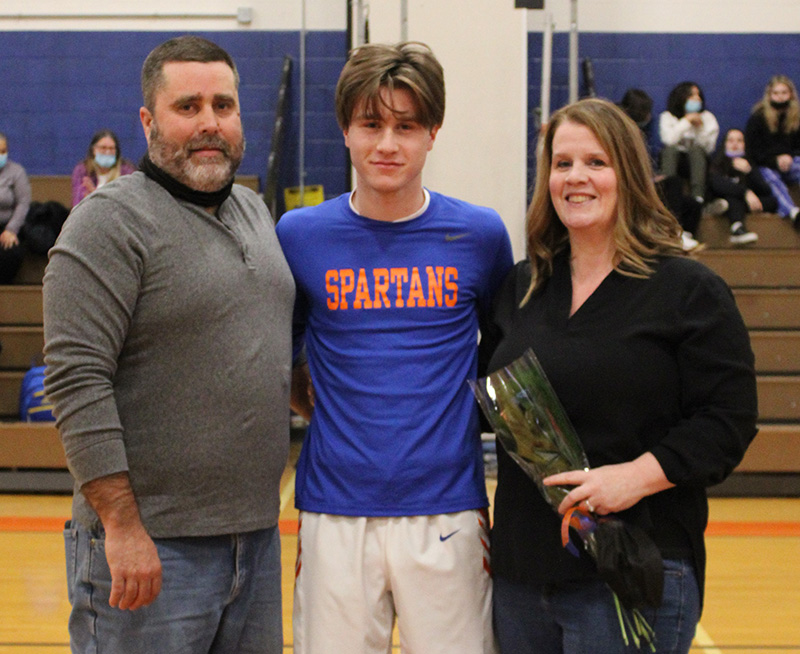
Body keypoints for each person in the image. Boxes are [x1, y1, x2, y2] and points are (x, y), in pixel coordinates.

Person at [43, 35, 294, 653]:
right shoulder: (107, 222)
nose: (209, 124)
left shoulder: (255, 212)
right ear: (149, 121)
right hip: (150, 549)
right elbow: (76, 379)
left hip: (256, 543)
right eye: (188, 107)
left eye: (224, 106)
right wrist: (122, 525)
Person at [482, 98, 757, 653]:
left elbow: (728, 421)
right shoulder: (522, 287)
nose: (576, 177)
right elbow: (486, 407)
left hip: (629, 570)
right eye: (562, 164)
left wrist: (633, 477)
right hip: (521, 576)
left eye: (595, 162)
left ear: (628, 175)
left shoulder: (687, 290)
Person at [275, 41, 513, 654]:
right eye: (371, 124)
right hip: (333, 509)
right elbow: (286, 354)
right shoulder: (299, 235)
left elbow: (503, 357)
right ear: (345, 131)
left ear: (433, 132)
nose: (387, 144)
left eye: (406, 126)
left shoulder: (480, 235)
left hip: (448, 509)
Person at [659, 81, 720, 249]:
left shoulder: (708, 118)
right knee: (670, 151)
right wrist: (686, 121)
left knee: (696, 150)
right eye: (692, 95)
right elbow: (668, 139)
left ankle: (698, 196)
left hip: (697, 163)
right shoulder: (668, 116)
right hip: (675, 162)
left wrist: (699, 128)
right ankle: (667, 189)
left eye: (698, 95)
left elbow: (709, 147)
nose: (696, 98)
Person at [744, 74, 800, 225]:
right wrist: (775, 160)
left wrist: (789, 156)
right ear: (769, 95)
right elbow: (753, 152)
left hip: (790, 163)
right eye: (776, 93)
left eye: (784, 93)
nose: (780, 97)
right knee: (770, 177)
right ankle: (792, 212)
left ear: (791, 94)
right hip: (766, 165)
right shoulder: (758, 117)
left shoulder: (797, 117)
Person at [708, 128, 777, 245]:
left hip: (744, 203)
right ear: (724, 144)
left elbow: (765, 190)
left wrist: (749, 171)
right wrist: (746, 192)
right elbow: (717, 185)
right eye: (731, 140)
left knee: (772, 201)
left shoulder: (749, 163)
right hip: (727, 198)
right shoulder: (718, 163)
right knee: (733, 198)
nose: (735, 144)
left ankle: (734, 220)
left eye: (739, 140)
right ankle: (737, 229)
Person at [70, 128, 136, 206]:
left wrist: (95, 194)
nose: (107, 152)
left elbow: (128, 202)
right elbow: (77, 203)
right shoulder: (83, 170)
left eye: (111, 148)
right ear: (93, 150)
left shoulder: (126, 172)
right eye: (103, 148)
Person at [0, 131, 30, 283]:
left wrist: (11, 229)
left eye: (3, 151)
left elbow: (23, 203)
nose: (0, 155)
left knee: (9, 252)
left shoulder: (16, 172)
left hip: (8, 226)